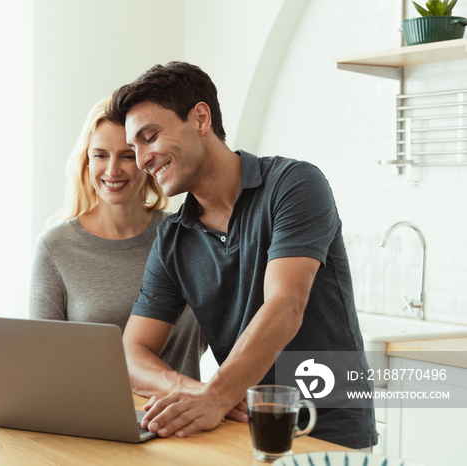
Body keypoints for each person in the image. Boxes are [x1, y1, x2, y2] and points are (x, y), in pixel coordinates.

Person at [105, 61, 376, 449]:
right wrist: (198, 391)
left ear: (200, 118)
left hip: (329, 431)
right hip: (243, 433)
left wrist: (216, 396)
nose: (143, 158)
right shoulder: (172, 240)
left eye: (150, 137)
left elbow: (285, 305)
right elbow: (132, 352)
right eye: (135, 147)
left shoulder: (293, 185)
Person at [29, 96, 208, 381]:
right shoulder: (56, 247)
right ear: (86, 161)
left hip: (185, 416)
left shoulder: (187, 236)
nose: (113, 170)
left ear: (146, 158)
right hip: (90, 419)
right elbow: (42, 362)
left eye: (126, 156)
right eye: (100, 155)